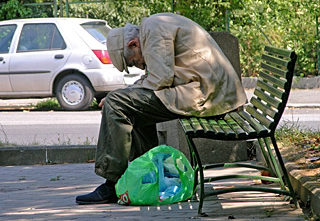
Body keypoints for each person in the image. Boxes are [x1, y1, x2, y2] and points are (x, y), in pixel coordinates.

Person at [75, 12, 247, 204]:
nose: (139, 67)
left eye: (133, 62)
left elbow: (159, 79)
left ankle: (112, 183)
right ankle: (150, 174)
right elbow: (154, 80)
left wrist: (120, 97)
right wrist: (126, 94)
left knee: (117, 103)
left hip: (208, 94)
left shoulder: (154, 29)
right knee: (125, 105)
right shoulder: (153, 27)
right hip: (209, 91)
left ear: (133, 44)